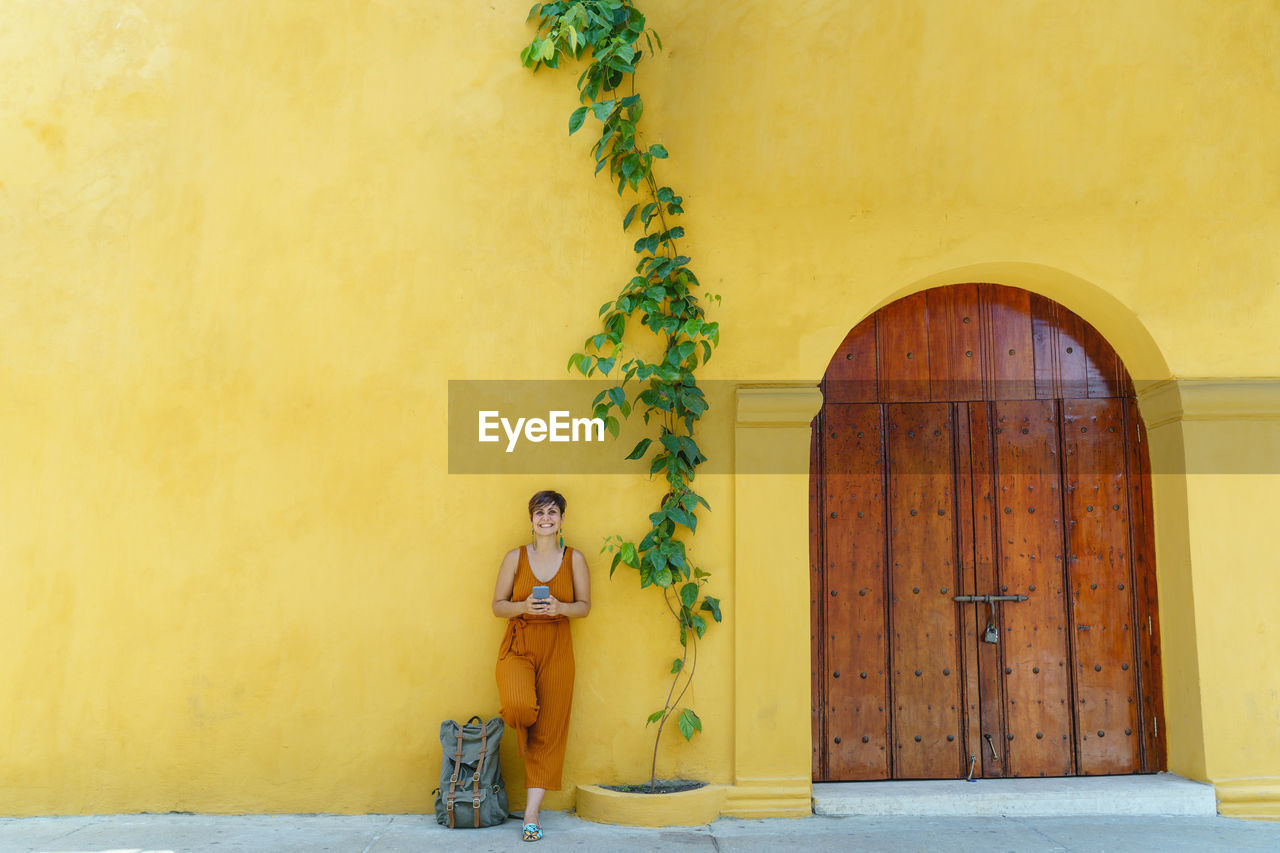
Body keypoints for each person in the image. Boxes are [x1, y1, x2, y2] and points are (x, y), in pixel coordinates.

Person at [492, 490, 591, 842]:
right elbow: (497, 605)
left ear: (562, 519)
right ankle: (526, 741)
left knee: (550, 730)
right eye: (539, 512)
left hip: (558, 647)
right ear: (530, 519)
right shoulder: (515, 558)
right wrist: (523, 607)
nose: (546, 518)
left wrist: (560, 608)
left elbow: (584, 606)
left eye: (552, 512)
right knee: (521, 707)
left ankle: (531, 813)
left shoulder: (574, 558)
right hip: (520, 642)